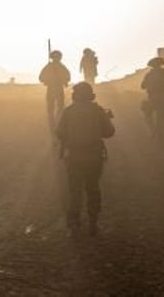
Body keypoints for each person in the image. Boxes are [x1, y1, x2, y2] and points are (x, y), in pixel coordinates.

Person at [56, 82, 115, 237]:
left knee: (75, 190)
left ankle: (74, 224)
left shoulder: (68, 111)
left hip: (74, 157)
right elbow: (109, 132)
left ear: (74, 95)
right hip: (94, 156)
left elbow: (59, 132)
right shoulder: (98, 111)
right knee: (93, 188)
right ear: (91, 95)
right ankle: (93, 223)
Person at [141, 57, 164, 139]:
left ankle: (153, 132)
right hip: (162, 98)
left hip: (152, 98)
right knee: (161, 119)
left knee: (148, 116)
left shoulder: (149, 75)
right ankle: (159, 135)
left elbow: (142, 86)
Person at [38, 50, 71, 130]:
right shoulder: (55, 67)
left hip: (56, 88)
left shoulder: (51, 67)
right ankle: (55, 123)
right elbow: (41, 77)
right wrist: (47, 80)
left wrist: (64, 81)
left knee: (55, 107)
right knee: (54, 107)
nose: (56, 59)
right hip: (55, 88)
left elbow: (67, 77)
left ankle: (55, 123)